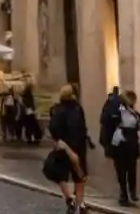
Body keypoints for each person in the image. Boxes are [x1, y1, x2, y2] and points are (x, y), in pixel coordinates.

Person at [48, 84, 93, 214]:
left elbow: (54, 129)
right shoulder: (76, 109)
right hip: (74, 147)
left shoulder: (58, 110)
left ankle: (72, 201)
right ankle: (77, 203)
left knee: (63, 175)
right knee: (79, 177)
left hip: (65, 147)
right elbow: (80, 129)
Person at [109, 90, 140, 206]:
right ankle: (123, 193)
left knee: (132, 169)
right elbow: (111, 124)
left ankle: (132, 192)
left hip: (131, 141)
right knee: (121, 170)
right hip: (120, 143)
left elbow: (137, 126)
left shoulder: (133, 112)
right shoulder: (118, 110)